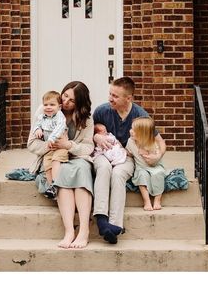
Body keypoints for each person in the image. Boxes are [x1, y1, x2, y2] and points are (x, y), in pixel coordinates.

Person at [92, 76, 166, 244]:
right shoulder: (101, 111)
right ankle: (102, 219)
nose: (110, 98)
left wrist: (158, 155)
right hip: (103, 153)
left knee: (118, 174)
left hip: (127, 156)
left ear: (129, 98)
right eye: (110, 94)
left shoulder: (140, 115)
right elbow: (87, 132)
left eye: (115, 96)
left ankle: (115, 225)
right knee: (104, 169)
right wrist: (96, 136)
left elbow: (160, 141)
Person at [27, 81, 94, 249]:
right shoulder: (45, 110)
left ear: (79, 103)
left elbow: (88, 147)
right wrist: (52, 146)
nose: (65, 102)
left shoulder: (86, 119)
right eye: (65, 96)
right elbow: (31, 144)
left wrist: (69, 145)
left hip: (76, 157)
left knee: (82, 170)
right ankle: (69, 231)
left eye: (71, 100)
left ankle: (84, 230)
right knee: (62, 176)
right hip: (52, 156)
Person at [31, 90, 69, 199]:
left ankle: (55, 183)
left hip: (59, 146)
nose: (48, 107)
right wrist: (37, 129)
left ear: (59, 106)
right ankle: (51, 186)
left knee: (56, 160)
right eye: (45, 105)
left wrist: (52, 138)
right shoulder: (42, 116)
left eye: (52, 105)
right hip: (49, 148)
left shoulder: (60, 116)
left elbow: (60, 128)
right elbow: (37, 125)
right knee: (47, 164)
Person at [126, 117, 166, 211]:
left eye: (134, 130)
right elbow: (129, 152)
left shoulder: (151, 143)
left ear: (143, 134)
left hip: (154, 166)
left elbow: (155, 158)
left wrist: (149, 155)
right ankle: (147, 201)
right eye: (131, 128)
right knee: (142, 176)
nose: (130, 131)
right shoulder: (130, 141)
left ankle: (157, 200)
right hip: (141, 168)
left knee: (158, 175)